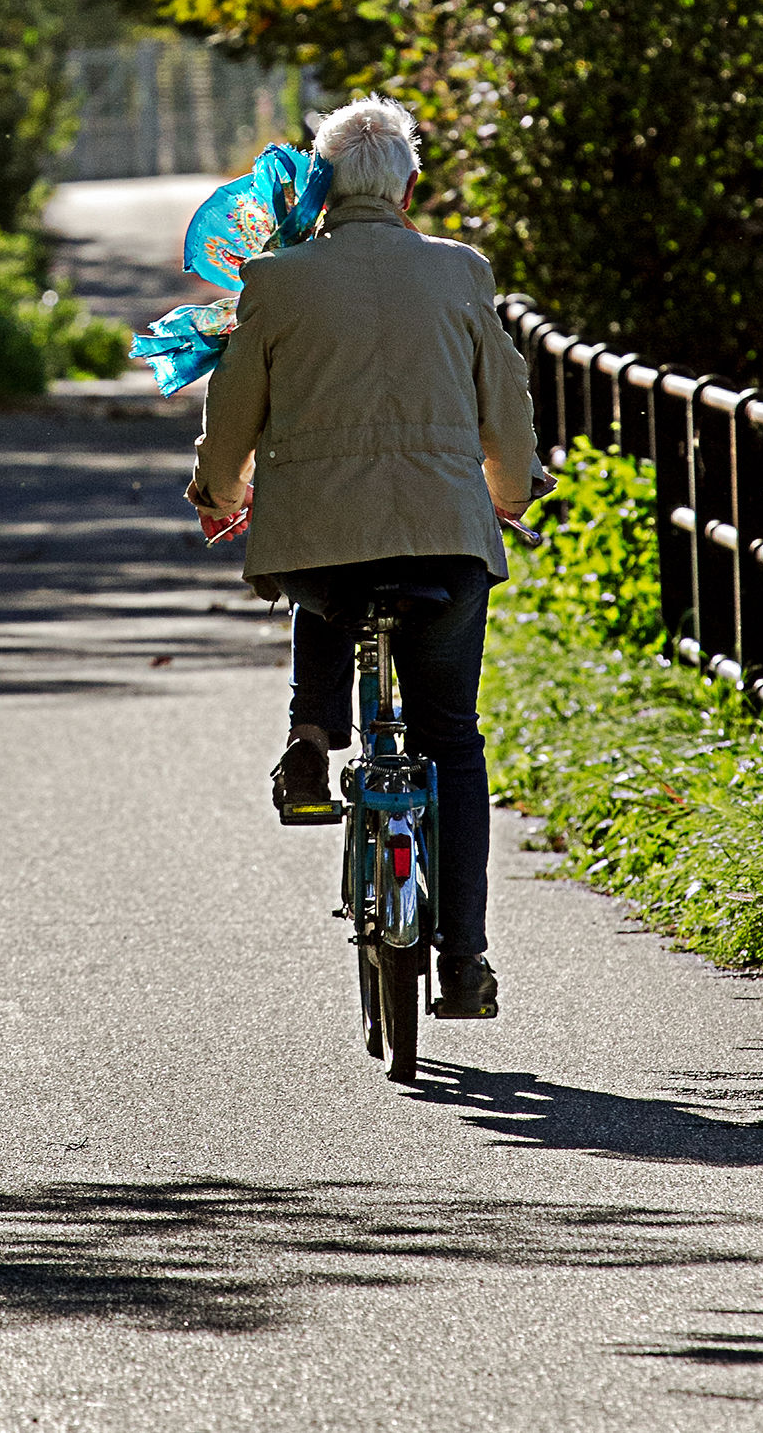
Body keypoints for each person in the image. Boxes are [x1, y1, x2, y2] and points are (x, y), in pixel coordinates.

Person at [185, 95, 546, 1018]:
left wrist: (218, 494)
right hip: (447, 547)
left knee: (323, 582)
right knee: (451, 742)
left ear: (321, 188)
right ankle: (463, 962)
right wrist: (505, 497)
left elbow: (231, 412)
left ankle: (311, 741)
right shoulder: (461, 273)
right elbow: (504, 404)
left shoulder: (276, 280)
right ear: (411, 187)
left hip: (324, 552)